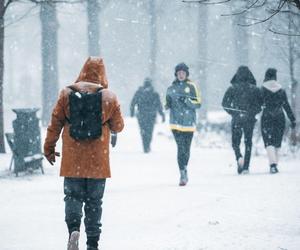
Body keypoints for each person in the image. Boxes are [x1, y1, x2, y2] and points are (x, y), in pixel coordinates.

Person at [44, 57, 124, 250]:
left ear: (82, 71)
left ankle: (73, 229)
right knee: (94, 202)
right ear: (102, 74)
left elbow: (55, 123)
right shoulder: (109, 97)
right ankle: (93, 243)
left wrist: (49, 148)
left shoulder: (66, 94)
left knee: (72, 197)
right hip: (98, 161)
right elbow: (118, 126)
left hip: (73, 160)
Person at [165, 63, 201, 186]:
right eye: (179, 73)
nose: (181, 75)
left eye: (183, 73)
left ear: (186, 74)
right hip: (175, 124)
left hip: (188, 123)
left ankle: (184, 167)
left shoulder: (192, 86)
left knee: (186, 149)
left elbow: (199, 103)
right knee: (180, 148)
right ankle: (182, 173)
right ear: (176, 74)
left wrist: (187, 101)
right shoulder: (170, 88)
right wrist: (167, 104)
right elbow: (166, 104)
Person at [222, 66, 262, 175]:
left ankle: (239, 157)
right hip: (249, 119)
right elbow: (261, 104)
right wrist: (252, 112)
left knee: (235, 142)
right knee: (248, 142)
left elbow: (224, 104)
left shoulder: (232, 88)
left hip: (236, 119)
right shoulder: (255, 89)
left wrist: (234, 113)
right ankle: (246, 167)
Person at [260, 68, 296, 174]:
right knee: (277, 141)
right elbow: (286, 105)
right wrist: (292, 119)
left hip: (267, 116)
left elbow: (258, 104)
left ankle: (273, 164)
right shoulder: (281, 90)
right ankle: (275, 163)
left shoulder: (262, 89)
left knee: (268, 141)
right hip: (280, 116)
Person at [130, 77, 165, 153]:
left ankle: (146, 146)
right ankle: (147, 146)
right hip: (150, 115)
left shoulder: (140, 92)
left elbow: (133, 103)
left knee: (144, 131)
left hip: (143, 115)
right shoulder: (154, 94)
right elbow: (159, 105)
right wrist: (162, 115)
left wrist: (132, 112)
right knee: (149, 131)